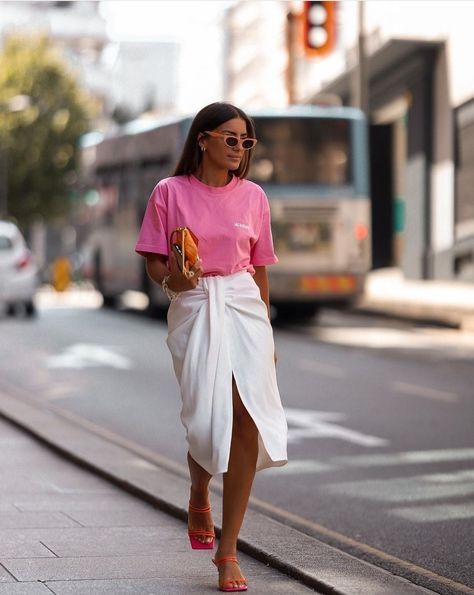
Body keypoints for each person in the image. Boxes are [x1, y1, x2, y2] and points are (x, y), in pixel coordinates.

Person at [135, 102, 288, 592]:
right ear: (203, 139)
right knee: (206, 417)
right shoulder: (169, 192)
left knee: (246, 418)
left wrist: (265, 330)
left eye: (247, 141)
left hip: (243, 305)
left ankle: (228, 551)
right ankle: (199, 491)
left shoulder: (254, 198)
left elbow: (259, 269)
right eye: (231, 138)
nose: (239, 148)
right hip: (195, 303)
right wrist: (172, 280)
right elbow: (156, 263)